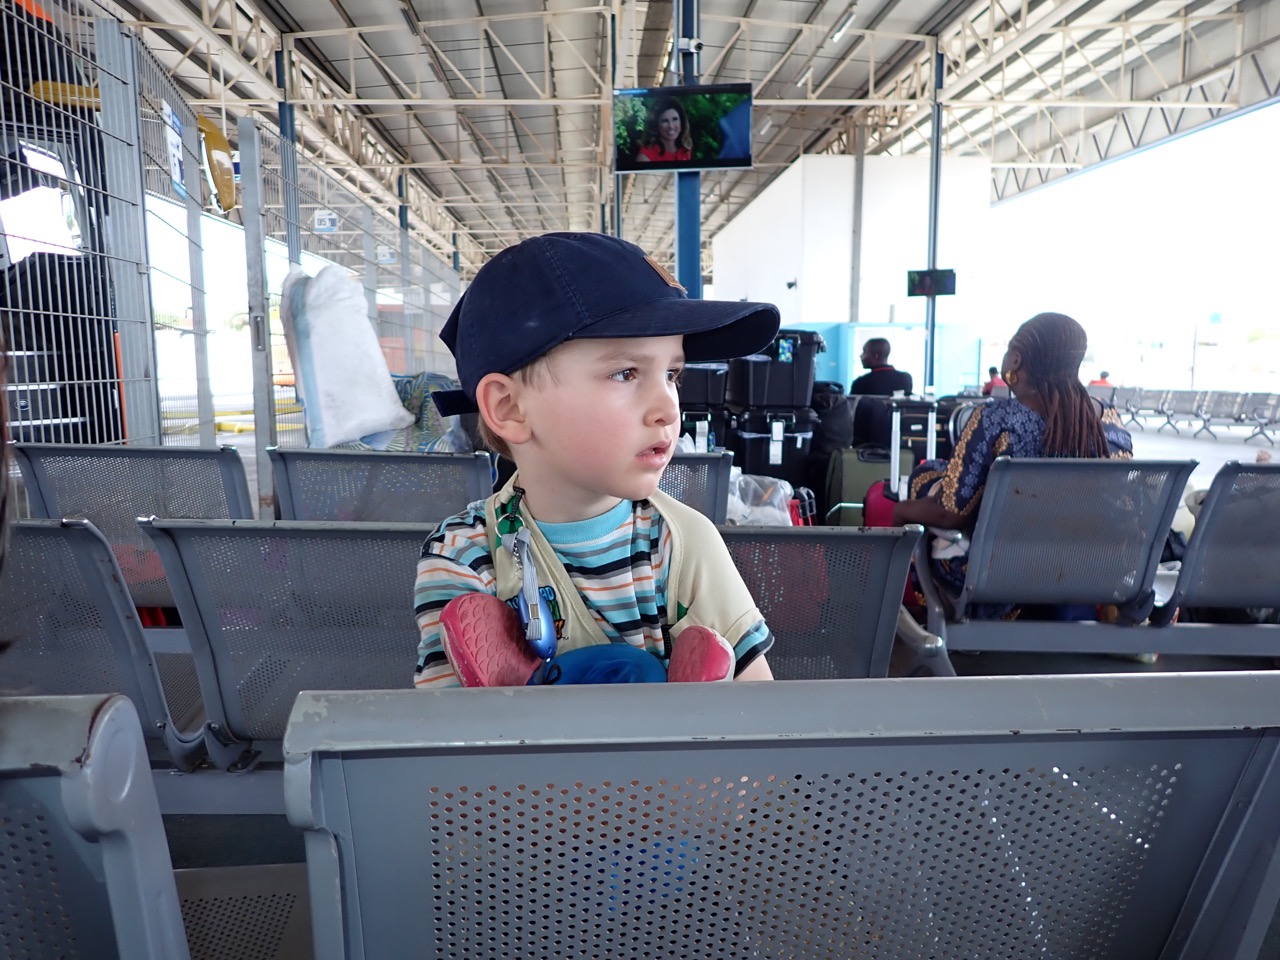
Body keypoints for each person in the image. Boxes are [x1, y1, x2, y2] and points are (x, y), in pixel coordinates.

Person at [415, 232, 779, 688]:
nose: (668, 407)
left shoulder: (681, 543)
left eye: (672, 374)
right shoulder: (465, 556)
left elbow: (760, 719)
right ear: (509, 408)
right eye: (626, 373)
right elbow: (441, 747)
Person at [892, 312, 1132, 619]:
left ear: (1016, 360)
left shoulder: (998, 419)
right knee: (944, 477)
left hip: (998, 575)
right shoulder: (1106, 420)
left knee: (926, 477)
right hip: (1086, 571)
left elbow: (949, 514)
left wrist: (902, 511)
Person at [634, 98, 693, 163]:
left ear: (681, 122)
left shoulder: (685, 151)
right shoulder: (645, 157)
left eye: (675, 119)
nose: (671, 126)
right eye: (665, 121)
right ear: (656, 125)